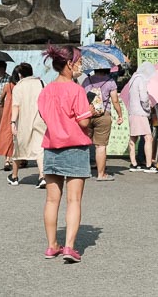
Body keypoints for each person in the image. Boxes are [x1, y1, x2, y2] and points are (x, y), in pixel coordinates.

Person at [38, 44, 93, 263]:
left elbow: (45, 117)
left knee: (52, 200)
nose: (80, 65)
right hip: (75, 148)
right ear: (69, 64)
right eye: (78, 62)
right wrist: (92, 111)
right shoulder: (76, 90)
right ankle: (69, 247)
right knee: (74, 200)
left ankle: (52, 245)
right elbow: (85, 121)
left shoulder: (46, 90)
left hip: (51, 147)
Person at [11, 62, 47, 187]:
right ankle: (42, 176)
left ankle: (14, 176)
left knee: (19, 146)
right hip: (41, 119)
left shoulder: (18, 87)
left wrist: (13, 122)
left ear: (20, 75)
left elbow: (16, 105)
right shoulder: (42, 83)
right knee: (40, 148)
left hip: (24, 121)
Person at [85, 66, 123, 181]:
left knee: (85, 144)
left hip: (87, 113)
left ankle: (83, 171)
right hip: (103, 115)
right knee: (100, 146)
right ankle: (101, 174)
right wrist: (120, 115)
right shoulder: (110, 82)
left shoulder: (87, 80)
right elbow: (115, 100)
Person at [126, 62, 155, 172]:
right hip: (140, 112)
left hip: (132, 111)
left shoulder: (133, 79)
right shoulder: (142, 80)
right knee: (148, 137)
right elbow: (143, 97)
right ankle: (148, 165)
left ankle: (133, 163)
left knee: (133, 138)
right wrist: (148, 108)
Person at [0, 67, 21, 173]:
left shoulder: (8, 86)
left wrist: (4, 106)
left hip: (8, 113)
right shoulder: (21, 86)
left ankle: (7, 160)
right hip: (20, 112)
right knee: (20, 135)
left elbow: (1, 98)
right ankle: (21, 159)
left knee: (7, 135)